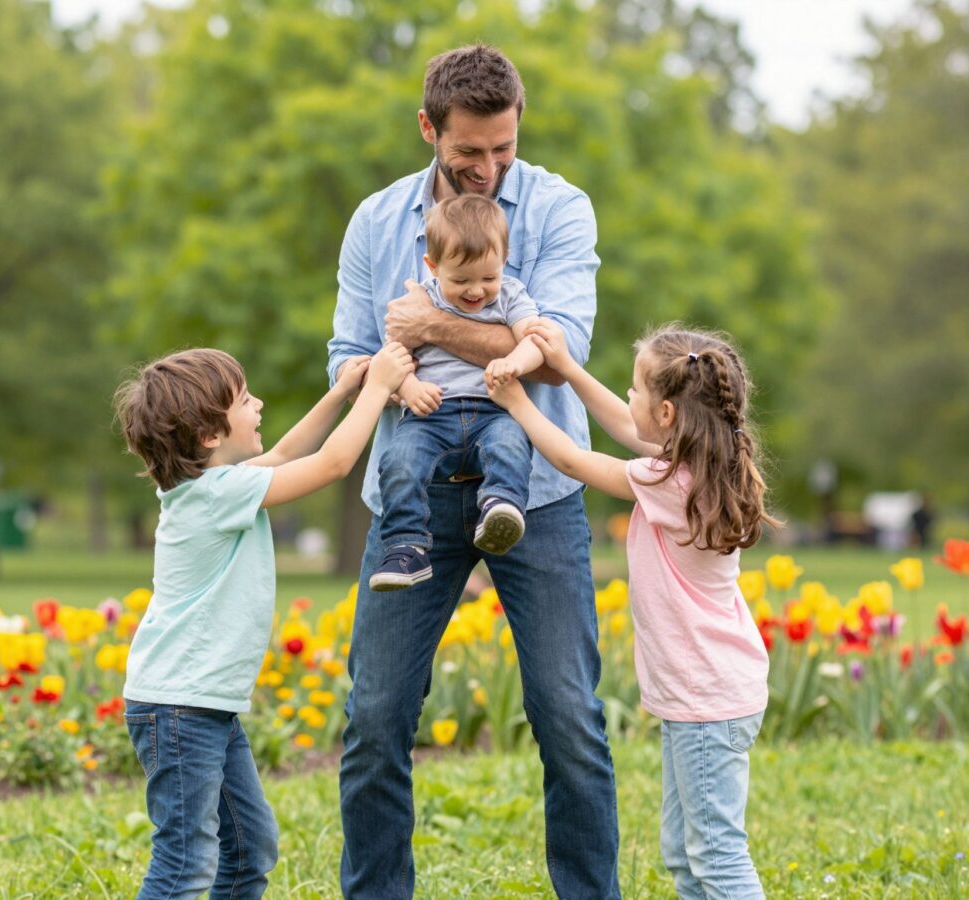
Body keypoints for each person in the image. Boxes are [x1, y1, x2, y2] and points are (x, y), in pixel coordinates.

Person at [328, 43, 622, 898]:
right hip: (410, 490)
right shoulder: (375, 223)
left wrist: (428, 323)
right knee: (376, 718)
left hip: (535, 491)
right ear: (428, 130)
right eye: (468, 154)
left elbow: (559, 352)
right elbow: (350, 357)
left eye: (504, 148)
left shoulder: (562, 210)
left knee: (570, 717)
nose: (488, 169)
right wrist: (401, 370)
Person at [488, 321, 778, 899]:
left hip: (705, 699)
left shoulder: (669, 482)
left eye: (637, 389)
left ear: (667, 414)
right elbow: (625, 426)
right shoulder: (702, 466)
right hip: (711, 692)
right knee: (686, 853)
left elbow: (574, 461)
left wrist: (517, 402)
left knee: (716, 854)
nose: (628, 397)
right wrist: (568, 369)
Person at [114, 343, 411, 899]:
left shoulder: (209, 487)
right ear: (209, 436)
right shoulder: (217, 495)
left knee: (250, 847)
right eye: (246, 400)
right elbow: (332, 465)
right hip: (182, 708)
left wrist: (342, 391)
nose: (260, 405)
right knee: (185, 860)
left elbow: (287, 453)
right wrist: (377, 389)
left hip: (200, 704)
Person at [370, 193, 545, 591]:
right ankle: (405, 546)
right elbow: (391, 359)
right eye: (461, 280)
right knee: (399, 460)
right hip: (431, 415)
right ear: (433, 267)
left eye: (488, 277)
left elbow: (535, 340)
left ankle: (500, 507)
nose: (476, 291)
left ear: (504, 259)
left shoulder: (511, 294)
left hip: (493, 410)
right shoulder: (419, 301)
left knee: (510, 445)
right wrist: (409, 386)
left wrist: (515, 361)